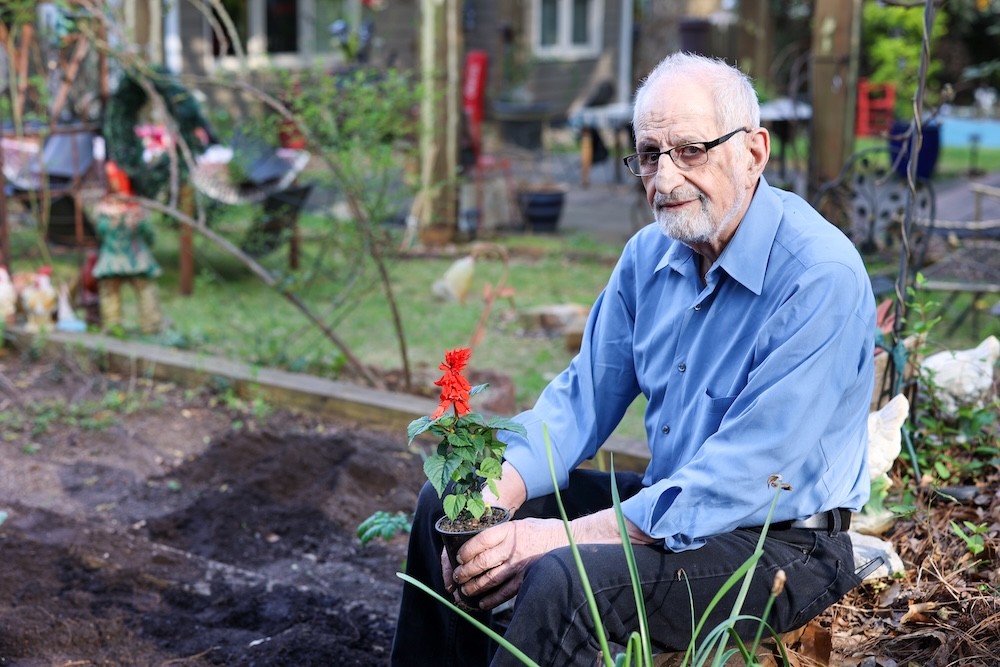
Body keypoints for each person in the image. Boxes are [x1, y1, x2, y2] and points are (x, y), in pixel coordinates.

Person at [391, 52, 876, 667]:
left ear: (754, 152)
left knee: (563, 577)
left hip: (780, 547)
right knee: (450, 506)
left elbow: (742, 476)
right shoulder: (649, 258)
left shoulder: (817, 275)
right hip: (668, 508)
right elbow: (578, 404)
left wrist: (552, 538)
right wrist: (492, 492)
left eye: (690, 151)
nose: (665, 179)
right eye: (649, 155)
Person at [92, 161, 163, 335]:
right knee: (139, 289)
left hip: (117, 258)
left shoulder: (110, 210)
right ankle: (130, 325)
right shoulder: (126, 209)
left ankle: (145, 325)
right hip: (134, 257)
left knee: (119, 291)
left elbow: (100, 232)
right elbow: (149, 236)